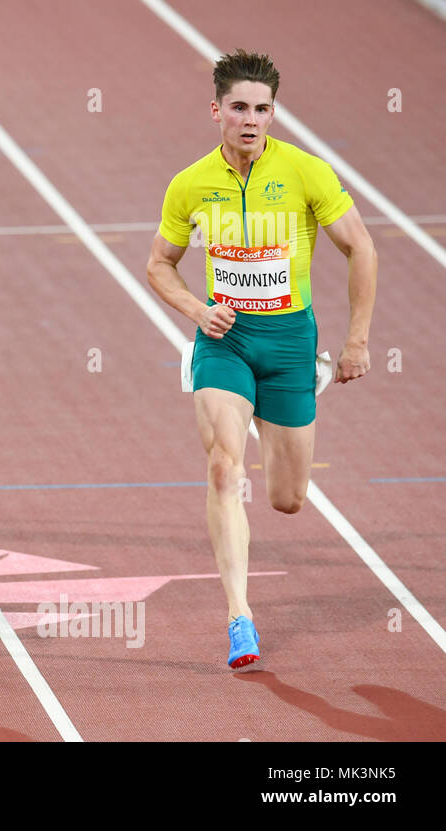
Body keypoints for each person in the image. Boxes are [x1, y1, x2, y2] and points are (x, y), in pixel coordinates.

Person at [146, 50, 376, 668]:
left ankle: (308, 385)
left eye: (263, 109)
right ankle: (239, 618)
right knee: (225, 468)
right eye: (240, 107)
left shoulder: (306, 173)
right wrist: (198, 311)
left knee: (287, 498)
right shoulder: (190, 184)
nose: (251, 119)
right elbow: (158, 265)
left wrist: (355, 341)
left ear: (274, 113)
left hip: (291, 344)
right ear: (216, 110)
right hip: (225, 343)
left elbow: (361, 247)